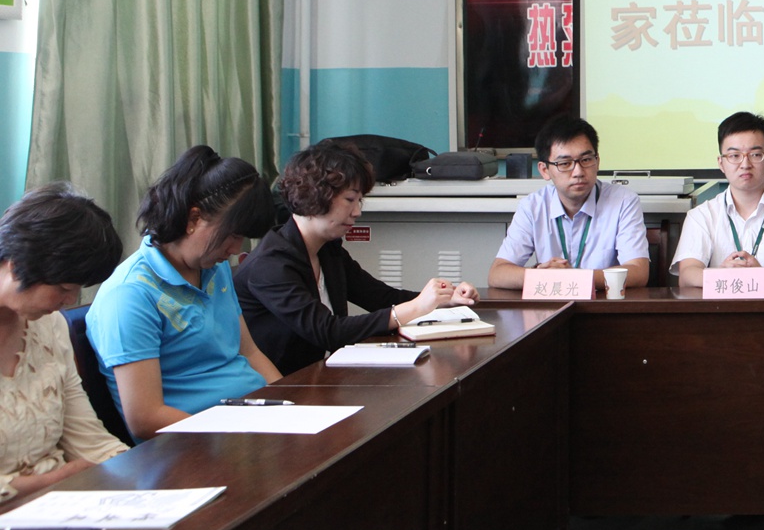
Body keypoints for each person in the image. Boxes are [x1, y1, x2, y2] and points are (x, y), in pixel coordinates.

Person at [87, 147, 283, 439]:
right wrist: (233, 435)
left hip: (251, 424)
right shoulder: (130, 294)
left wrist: (289, 403)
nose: (235, 249)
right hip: (196, 443)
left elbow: (249, 352)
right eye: (233, 235)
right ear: (193, 219)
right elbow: (145, 418)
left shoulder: (214, 268)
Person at [236, 140, 479, 375]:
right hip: (280, 385)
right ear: (315, 195)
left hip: (320, 376)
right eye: (350, 200)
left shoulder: (328, 249)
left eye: (359, 200)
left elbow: (381, 298)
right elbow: (328, 331)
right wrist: (416, 307)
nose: (357, 211)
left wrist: (443, 299)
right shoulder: (270, 264)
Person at [0, 185, 128, 502]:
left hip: (59, 505)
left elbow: (88, 439)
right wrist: (55, 479)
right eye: (63, 288)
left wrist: (140, 474)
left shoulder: (49, 326)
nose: (69, 301)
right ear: (16, 266)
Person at [488, 115, 650, 293]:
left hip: (603, 304)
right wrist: (541, 276)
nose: (578, 172)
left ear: (597, 161)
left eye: (586, 160)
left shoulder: (623, 201)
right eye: (565, 163)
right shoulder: (533, 206)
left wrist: (573, 277)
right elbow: (497, 273)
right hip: (551, 305)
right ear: (544, 170)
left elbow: (638, 272)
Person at [672, 112, 764, 289]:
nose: (745, 164)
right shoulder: (700, 216)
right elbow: (687, 274)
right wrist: (721, 275)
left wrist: (762, 276)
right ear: (721, 163)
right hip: (717, 306)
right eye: (734, 156)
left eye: (755, 155)